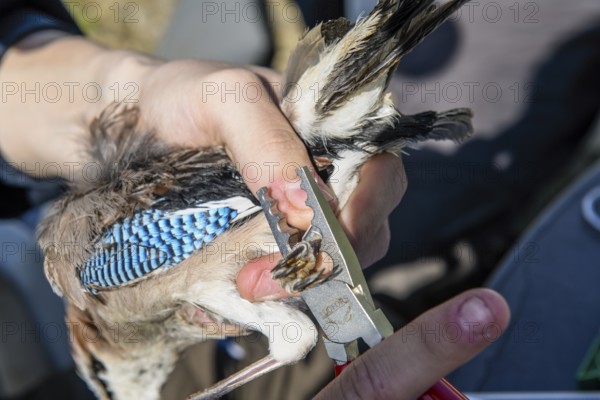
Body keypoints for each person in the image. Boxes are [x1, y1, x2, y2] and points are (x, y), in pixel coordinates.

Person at [0, 1, 510, 399]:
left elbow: (216, 211)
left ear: (98, 357)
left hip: (282, 183)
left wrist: (132, 89)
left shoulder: (99, 281)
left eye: (111, 389)